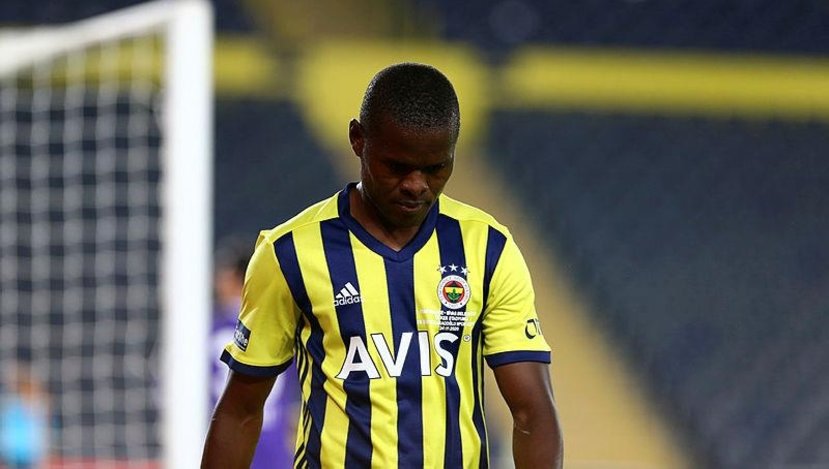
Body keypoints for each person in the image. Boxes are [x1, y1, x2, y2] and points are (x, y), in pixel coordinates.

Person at [202, 62, 563, 468]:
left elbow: (532, 411)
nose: (416, 184)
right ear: (358, 139)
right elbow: (241, 410)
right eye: (397, 166)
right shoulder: (289, 253)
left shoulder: (487, 247)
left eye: (436, 168)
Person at [209, 238, 299, 468]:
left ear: (233, 279)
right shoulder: (282, 327)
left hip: (221, 446)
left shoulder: (206, 331)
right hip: (276, 451)